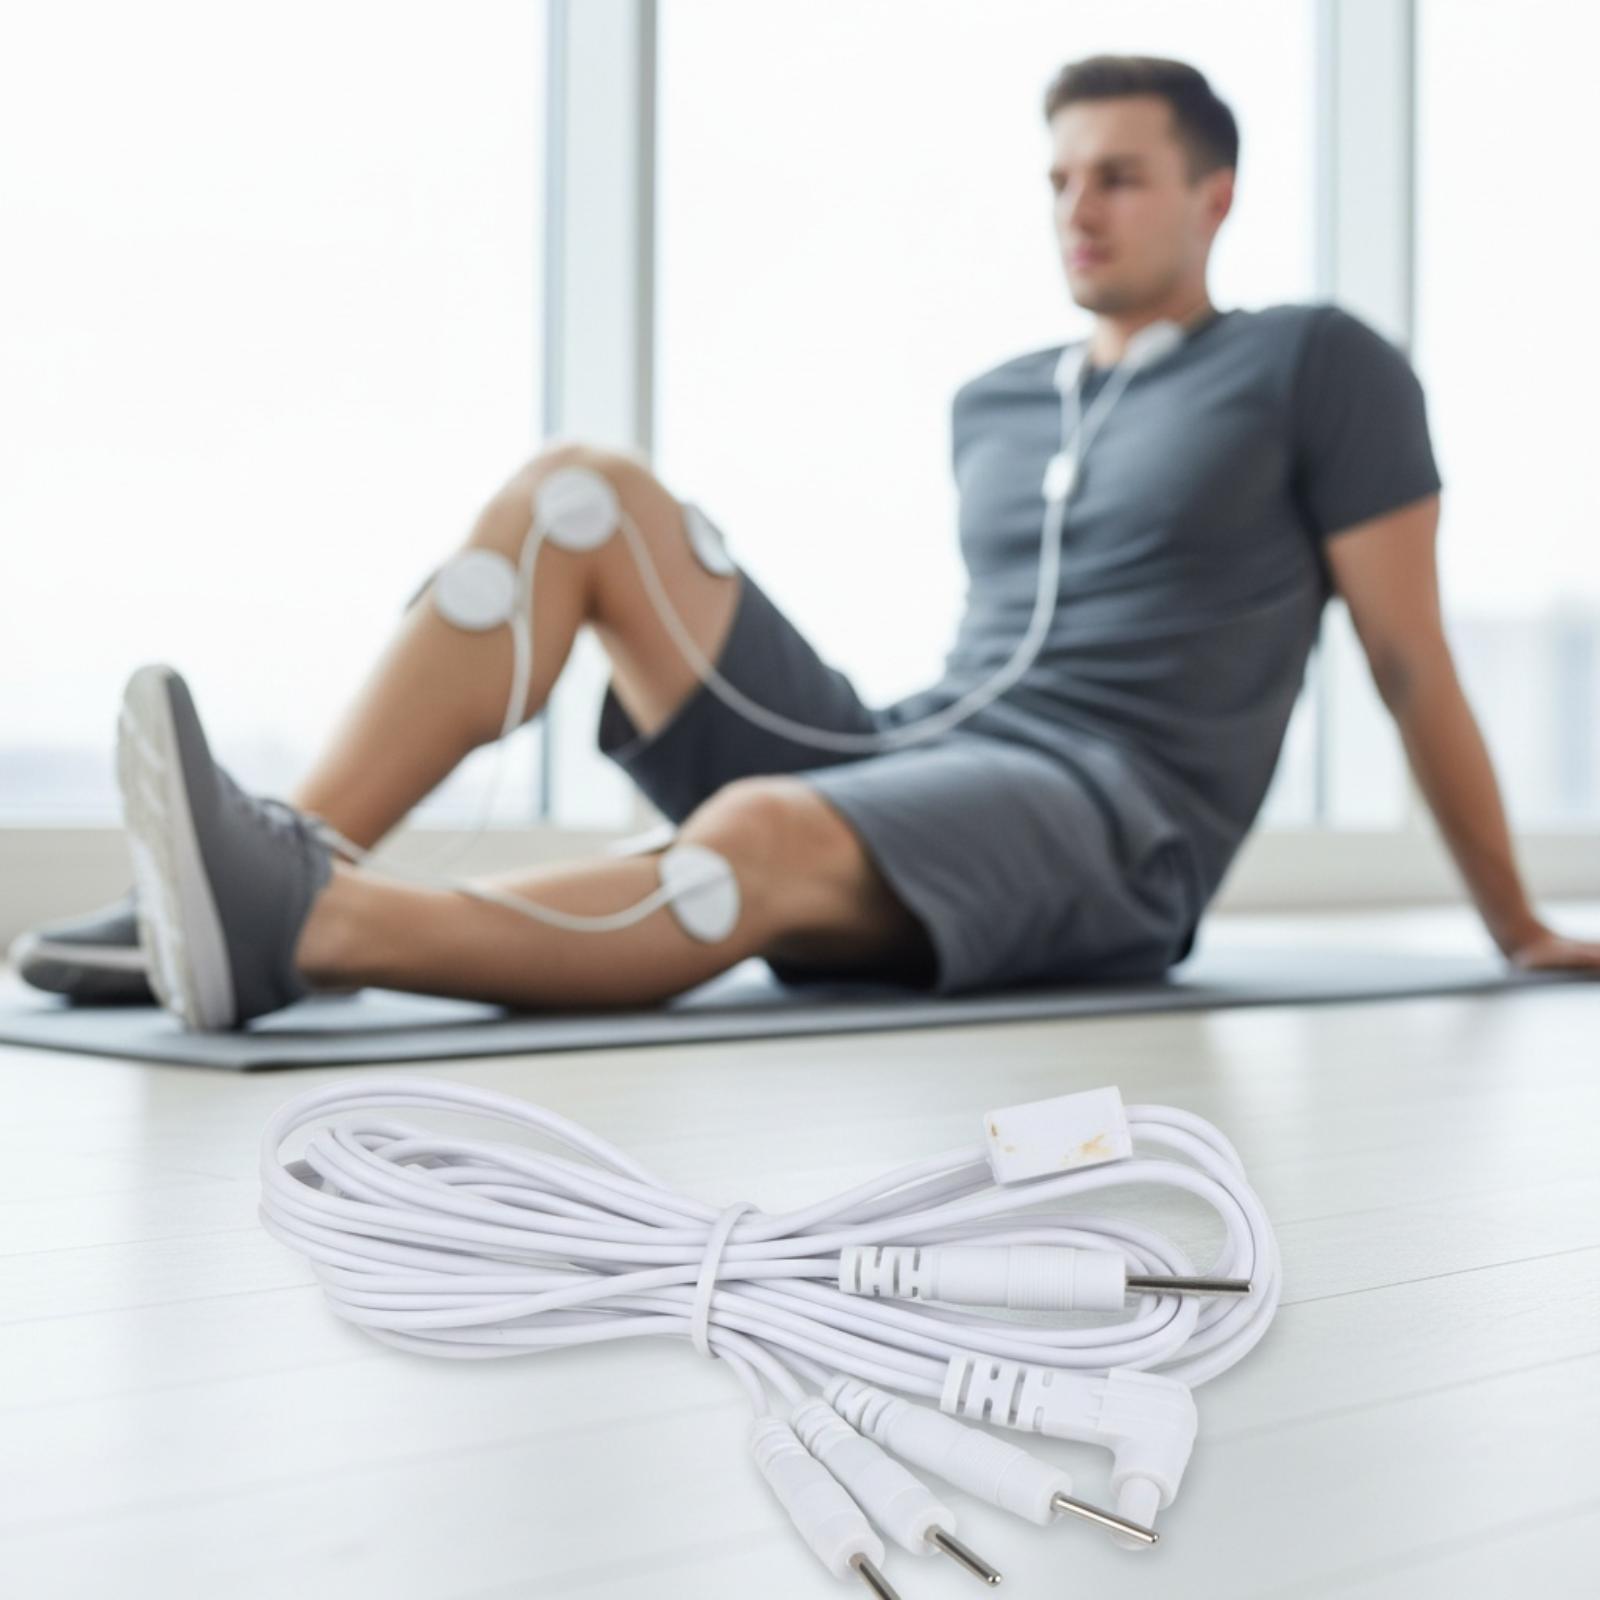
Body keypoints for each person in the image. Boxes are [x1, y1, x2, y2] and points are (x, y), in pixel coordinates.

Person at [14, 53, 1600, 1029]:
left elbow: (1409, 656)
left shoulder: (1318, 363)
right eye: (1060, 178)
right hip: (917, 751)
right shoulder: (1000, 400)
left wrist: (1515, 922)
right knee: (580, 495)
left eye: (1120, 177)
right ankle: (252, 871)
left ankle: (310, 927)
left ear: (1217, 197)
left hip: (1114, 822)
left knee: (763, 829)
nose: (1079, 209)